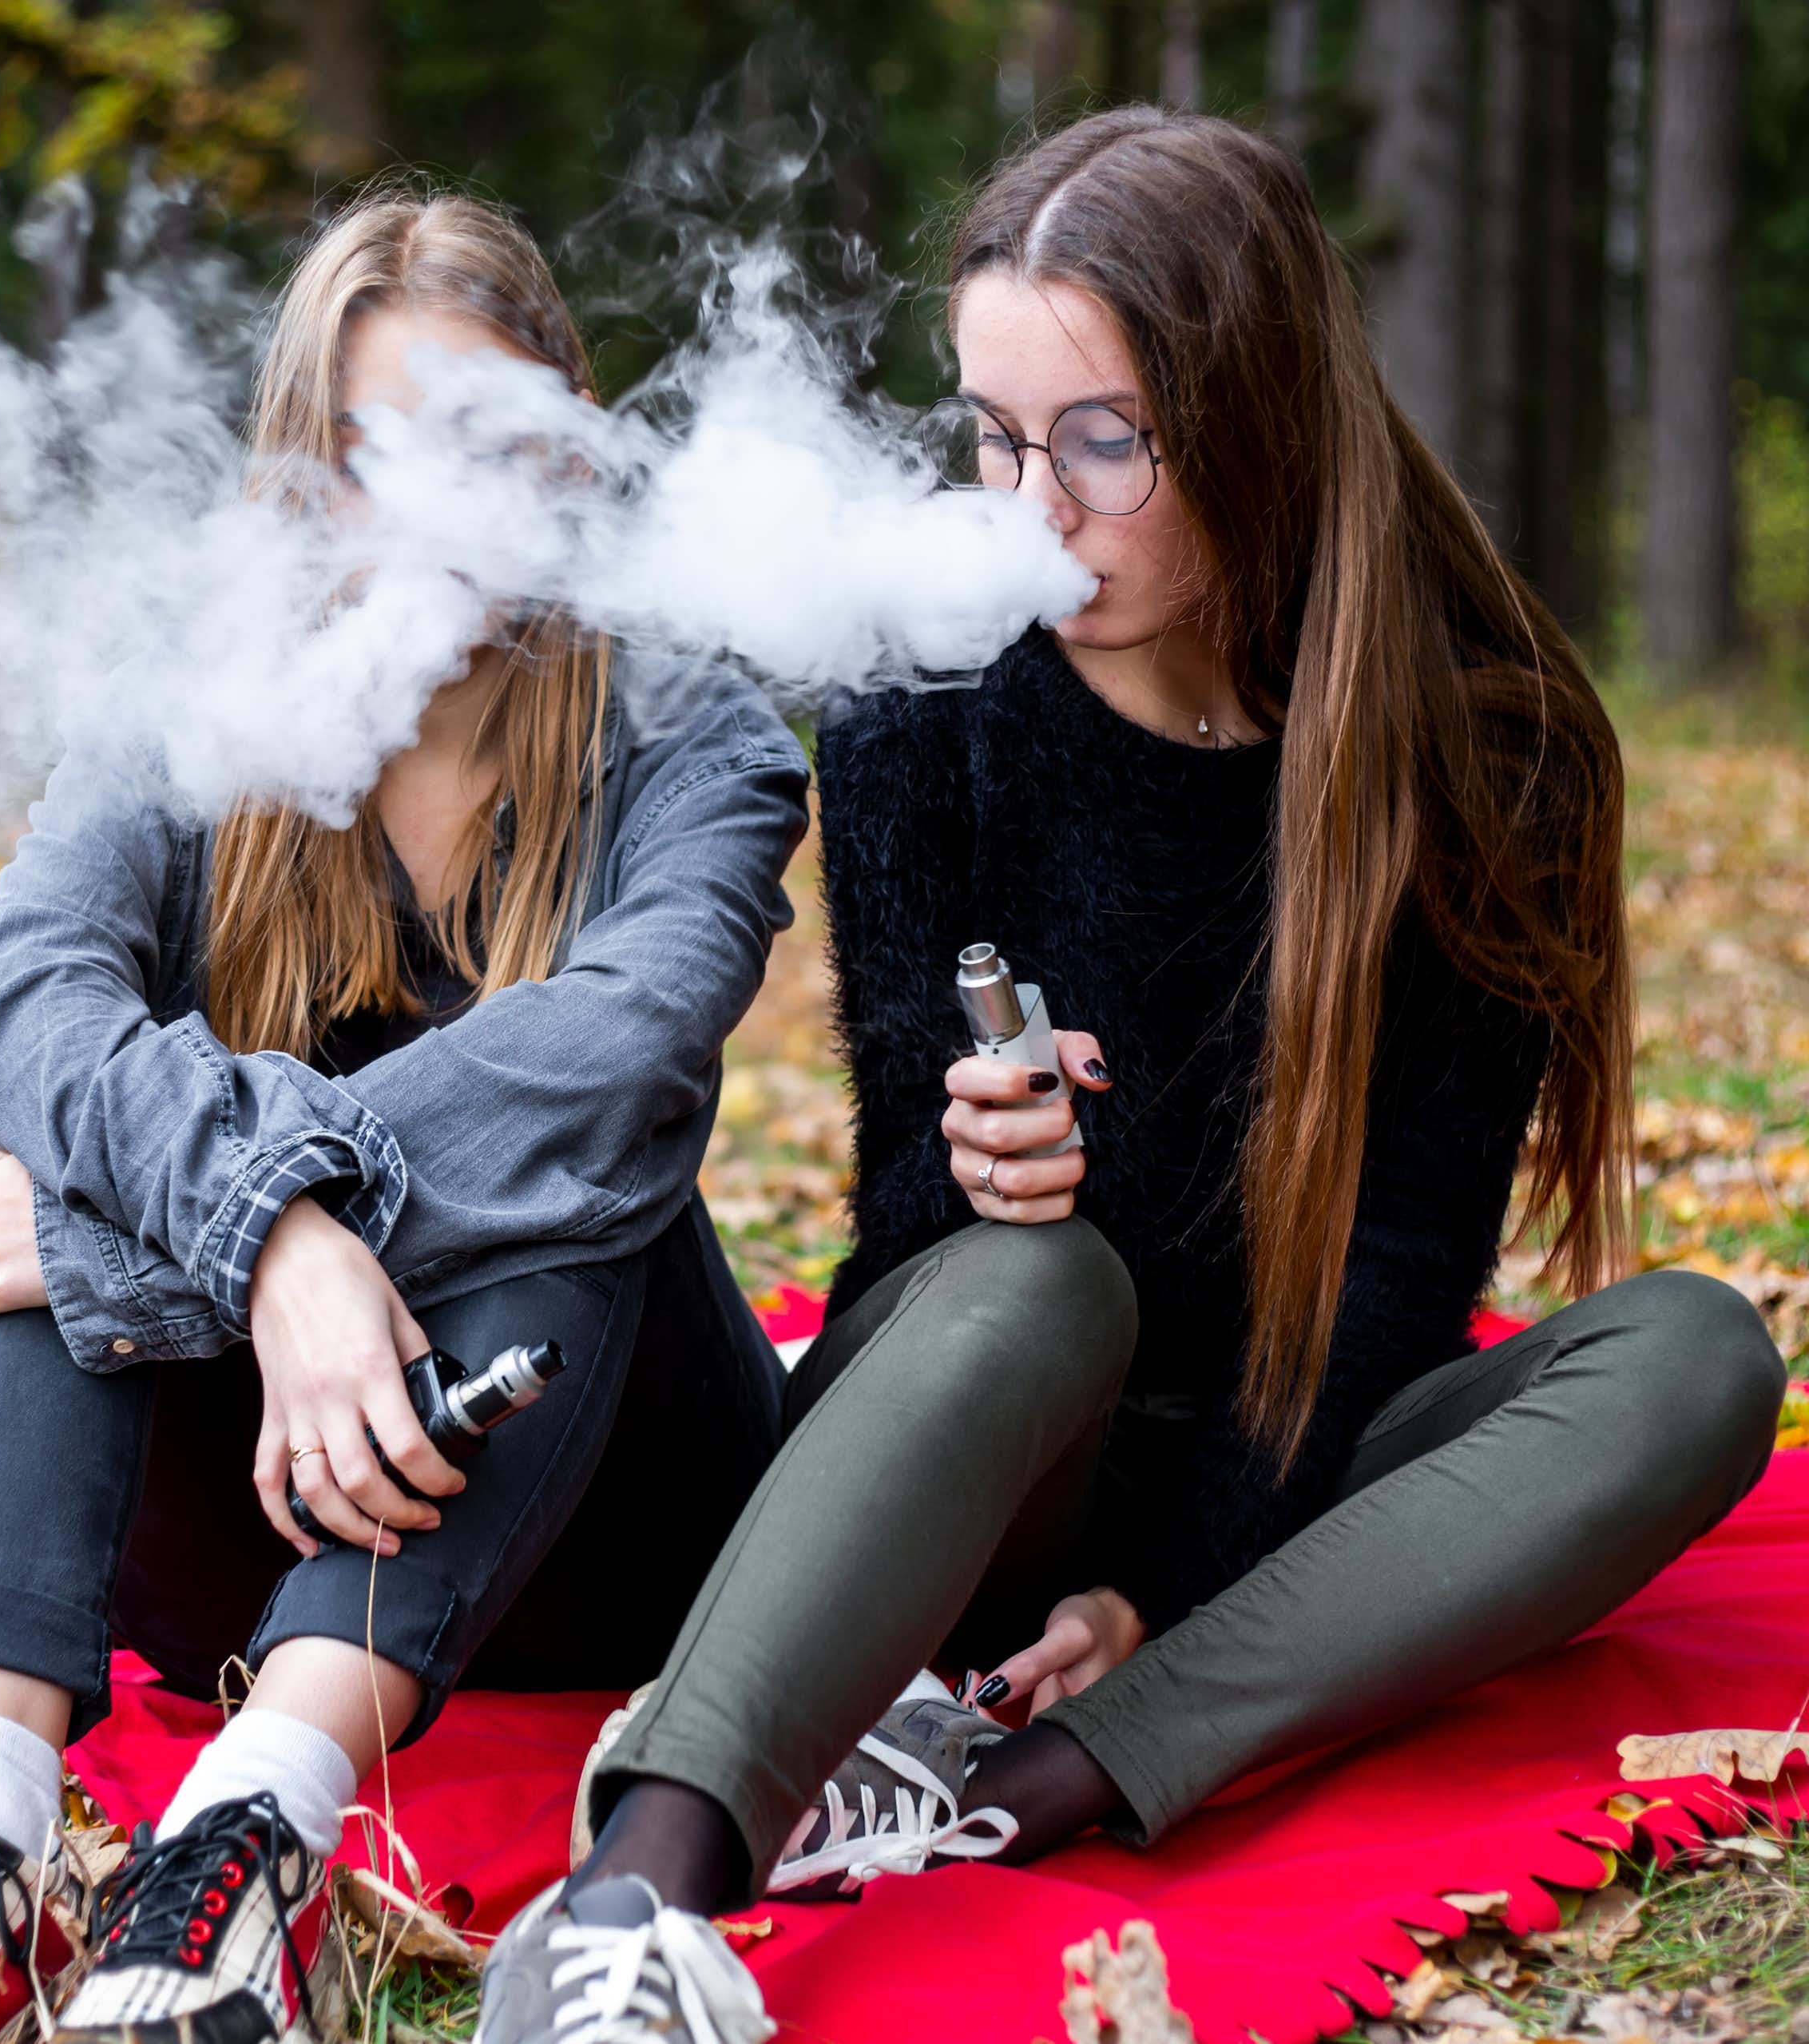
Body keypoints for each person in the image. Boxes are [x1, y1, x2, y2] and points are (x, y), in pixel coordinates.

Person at [471, 108, 1787, 2043]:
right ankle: (638, 1890)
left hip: (1289, 1484)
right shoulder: (920, 691)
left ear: (1256, 421)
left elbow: (1387, 1279)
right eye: (991, 438)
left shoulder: (1482, 752)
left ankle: (1020, 1790)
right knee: (1037, 1271)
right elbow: (906, 1258)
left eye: (1095, 440)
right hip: (969, 1459)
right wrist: (975, 1156)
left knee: (1690, 1357)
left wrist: (1164, 1595)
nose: (1027, 509)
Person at [0, 188, 807, 2044]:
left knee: (555, 1187)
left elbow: (616, 1064)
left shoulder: (695, 742)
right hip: (240, 1516)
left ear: (567, 440)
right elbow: (11, 999)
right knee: (53, 1123)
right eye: (363, 457)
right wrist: (269, 1239)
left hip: (599, 1511)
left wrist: (167, 1243)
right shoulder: (202, 698)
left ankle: (255, 1832)